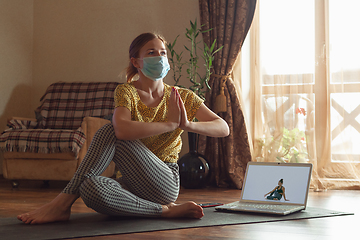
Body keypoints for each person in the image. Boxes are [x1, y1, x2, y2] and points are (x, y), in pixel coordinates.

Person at [17, 32, 230, 224]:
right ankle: (163, 212)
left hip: (165, 180)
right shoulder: (126, 92)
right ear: (136, 61)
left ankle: (61, 204)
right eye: (152, 52)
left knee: (108, 130)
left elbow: (223, 128)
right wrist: (169, 124)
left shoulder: (181, 96)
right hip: (131, 182)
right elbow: (122, 130)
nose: (160, 57)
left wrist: (187, 124)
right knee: (90, 187)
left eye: (163, 53)